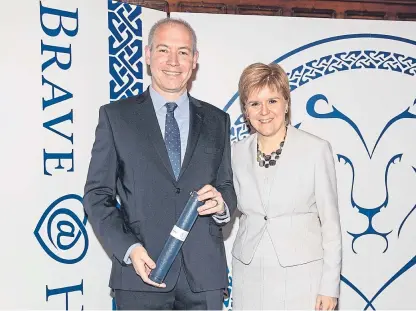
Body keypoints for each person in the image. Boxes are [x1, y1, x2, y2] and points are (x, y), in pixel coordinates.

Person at [83, 18, 236, 310]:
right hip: (141, 276)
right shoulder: (116, 118)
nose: (173, 61)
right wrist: (129, 249)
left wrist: (222, 204)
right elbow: (96, 196)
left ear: (195, 60)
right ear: (147, 54)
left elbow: (225, 185)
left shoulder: (218, 121)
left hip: (204, 280)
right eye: (164, 50)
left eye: (183, 52)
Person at [231, 62, 342, 310]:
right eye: (254, 103)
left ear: (286, 104)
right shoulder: (235, 152)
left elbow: (331, 224)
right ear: (245, 111)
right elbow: (228, 207)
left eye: (272, 101)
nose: (264, 111)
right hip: (249, 274)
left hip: (303, 277)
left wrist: (329, 286)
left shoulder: (315, 149)